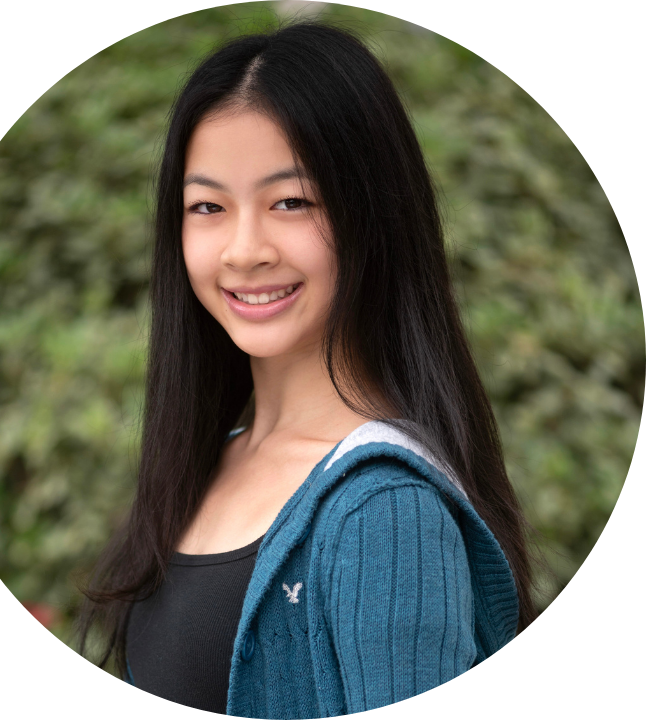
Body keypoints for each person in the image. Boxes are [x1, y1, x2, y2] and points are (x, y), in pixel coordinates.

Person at [74, 18, 544, 717]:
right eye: (207, 206)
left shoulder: (387, 511)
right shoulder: (203, 464)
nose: (244, 250)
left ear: (372, 215)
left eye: (290, 201)